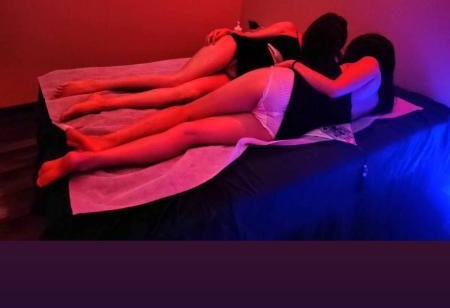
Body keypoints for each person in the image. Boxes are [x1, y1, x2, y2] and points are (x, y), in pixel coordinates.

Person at [37, 33, 395, 187]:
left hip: (281, 95)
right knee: (188, 128)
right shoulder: (375, 99)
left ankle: (95, 152)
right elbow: (337, 95)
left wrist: (295, 65)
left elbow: (334, 87)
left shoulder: (371, 63)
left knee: (188, 120)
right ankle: (95, 153)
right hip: (283, 121)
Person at [57, 13, 348, 121]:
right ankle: (96, 85)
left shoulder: (308, 64)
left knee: (184, 94)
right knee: (177, 80)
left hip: (241, 76)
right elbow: (255, 34)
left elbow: (332, 86)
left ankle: (103, 102)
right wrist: (230, 32)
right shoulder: (290, 29)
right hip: (237, 48)